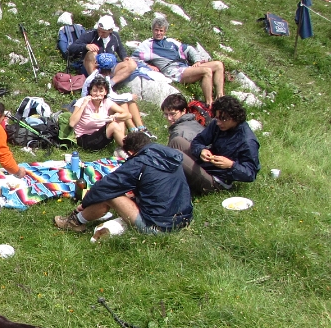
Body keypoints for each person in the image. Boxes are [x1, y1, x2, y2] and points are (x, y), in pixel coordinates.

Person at [54, 131, 193, 234]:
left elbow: (105, 186)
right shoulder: (169, 154)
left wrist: (85, 204)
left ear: (131, 152)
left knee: (110, 194)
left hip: (159, 227)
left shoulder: (139, 162)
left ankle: (75, 222)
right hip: (184, 219)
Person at [171, 95, 259, 194]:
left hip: (217, 180)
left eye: (223, 119)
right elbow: (198, 141)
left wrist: (230, 165)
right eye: (217, 118)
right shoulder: (217, 124)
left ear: (235, 117)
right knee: (176, 141)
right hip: (207, 165)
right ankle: (168, 178)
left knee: (176, 154)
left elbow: (250, 174)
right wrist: (201, 150)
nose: (219, 122)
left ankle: (172, 186)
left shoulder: (247, 141)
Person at [134, 16, 226, 107]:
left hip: (185, 67)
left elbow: (189, 49)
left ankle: (220, 98)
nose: (158, 33)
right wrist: (148, 65)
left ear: (165, 31)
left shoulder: (171, 41)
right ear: (152, 30)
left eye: (161, 31)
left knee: (219, 65)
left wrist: (197, 60)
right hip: (173, 71)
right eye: (156, 30)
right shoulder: (148, 44)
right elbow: (134, 58)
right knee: (206, 71)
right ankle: (209, 104)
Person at [69, 15, 137, 83]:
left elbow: (120, 49)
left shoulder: (115, 36)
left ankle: (110, 84)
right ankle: (95, 82)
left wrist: (124, 57)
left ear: (110, 30)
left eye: (103, 32)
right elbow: (71, 47)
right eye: (99, 31)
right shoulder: (90, 34)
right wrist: (86, 46)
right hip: (93, 66)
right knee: (91, 53)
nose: (100, 34)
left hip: (109, 67)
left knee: (132, 64)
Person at [71, 77, 130, 154]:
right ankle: (129, 150)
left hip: (99, 135)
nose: (98, 94)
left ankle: (121, 147)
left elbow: (128, 115)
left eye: (101, 91)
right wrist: (83, 105)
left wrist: (116, 116)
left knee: (120, 118)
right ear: (90, 92)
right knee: (114, 125)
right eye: (95, 91)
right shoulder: (83, 101)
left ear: (105, 92)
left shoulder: (106, 102)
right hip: (84, 138)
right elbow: (72, 123)